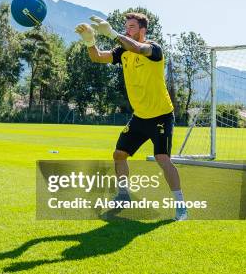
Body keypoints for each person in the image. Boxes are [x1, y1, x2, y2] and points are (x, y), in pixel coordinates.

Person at [75, 13, 187, 221]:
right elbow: (97, 57)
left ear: (143, 30)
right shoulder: (122, 51)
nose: (128, 29)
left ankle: (181, 206)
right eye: (126, 27)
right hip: (139, 117)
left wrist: (111, 33)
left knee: (162, 159)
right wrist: (90, 41)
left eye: (132, 27)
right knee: (119, 154)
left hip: (161, 116)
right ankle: (124, 195)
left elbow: (137, 48)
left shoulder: (154, 49)